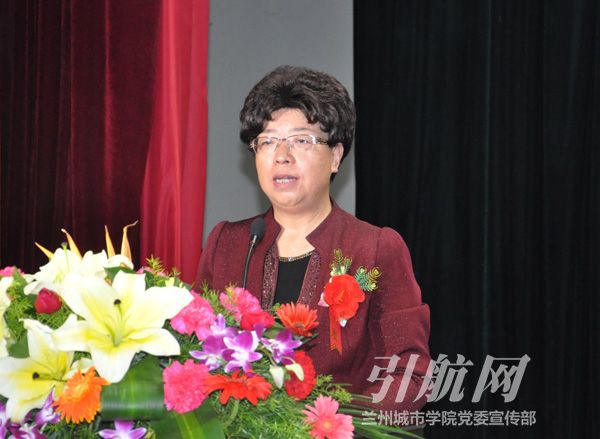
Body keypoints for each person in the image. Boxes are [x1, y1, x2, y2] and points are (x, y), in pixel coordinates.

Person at [196, 65, 430, 412]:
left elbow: (410, 374)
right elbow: (194, 348)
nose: (282, 155)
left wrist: (338, 423)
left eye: (301, 140)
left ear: (335, 156)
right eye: (268, 141)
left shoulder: (374, 248)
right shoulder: (227, 243)